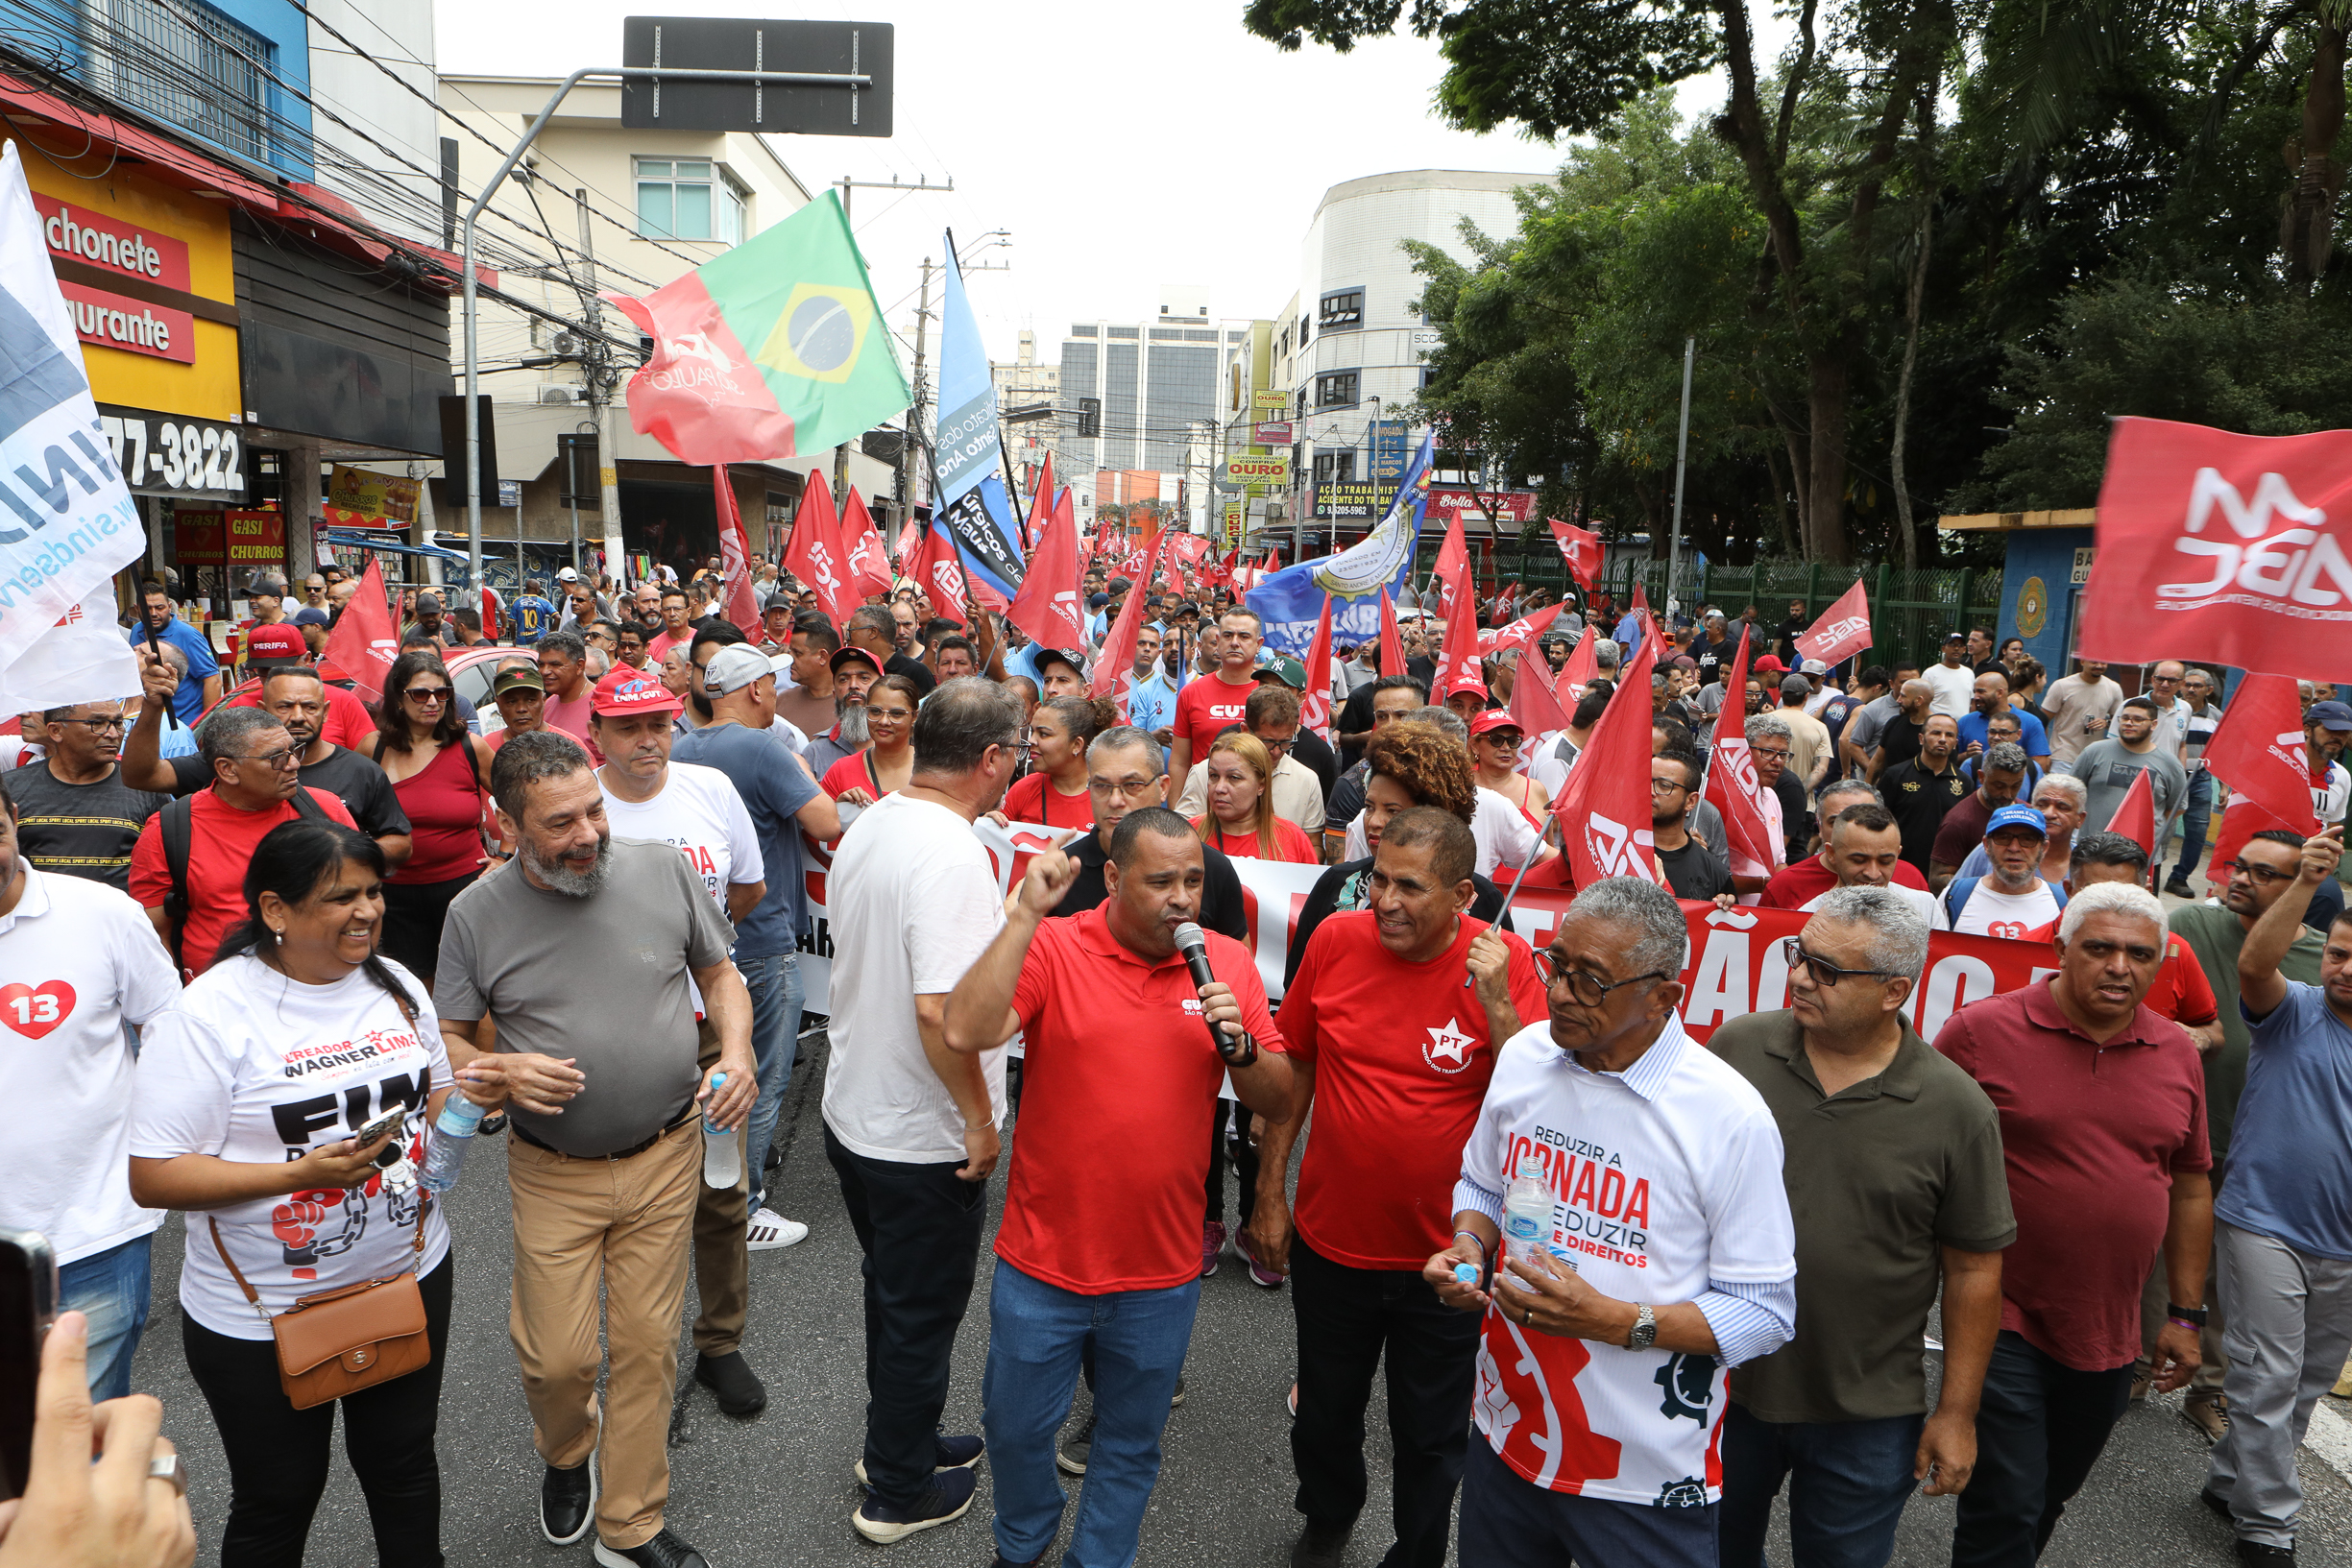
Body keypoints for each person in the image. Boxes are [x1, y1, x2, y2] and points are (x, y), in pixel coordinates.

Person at [941, 808, 1295, 1568]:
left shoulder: (1225, 963)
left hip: (1160, 1273)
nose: (1181, 898)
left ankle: (1098, 1556)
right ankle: (1024, 1537)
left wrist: (1237, 1047)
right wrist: (1023, 915)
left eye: (1193, 880)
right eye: (1160, 879)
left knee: (1131, 1442)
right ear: (1111, 877)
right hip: (1042, 1261)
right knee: (1012, 1429)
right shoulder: (1057, 944)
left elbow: (1277, 1095)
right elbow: (967, 1032)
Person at [437, 731, 753, 1568]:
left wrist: (738, 1051)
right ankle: (567, 1450)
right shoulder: (473, 914)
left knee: (648, 1346)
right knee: (557, 1359)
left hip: (667, 1151)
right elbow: (448, 1041)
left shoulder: (660, 869)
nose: (587, 834)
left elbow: (720, 974)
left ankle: (631, 1523)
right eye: (559, 823)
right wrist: (495, 1066)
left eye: (593, 809)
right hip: (552, 1172)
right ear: (507, 826)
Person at [1425, 876, 1797, 1567]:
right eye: (1556, 964)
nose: (1561, 992)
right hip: (1507, 1431)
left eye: (1591, 980)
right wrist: (1469, 1244)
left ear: (1663, 996)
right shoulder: (1524, 1056)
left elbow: (1764, 1312)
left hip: (1642, 1475)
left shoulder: (1728, 1116)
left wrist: (1616, 1320)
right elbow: (1482, 1178)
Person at [130, 820, 462, 1567]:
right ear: (275, 910)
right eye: (341, 896)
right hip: (259, 1312)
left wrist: (478, 1098)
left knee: (404, 1468)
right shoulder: (206, 1016)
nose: (368, 910)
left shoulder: (397, 983)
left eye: (374, 891)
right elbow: (154, 1173)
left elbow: (434, 1091)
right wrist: (297, 1175)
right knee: (278, 1497)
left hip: (405, 1271)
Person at [1253, 808, 1546, 1568]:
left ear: (1462, 896)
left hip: (1449, 1261)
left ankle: (1415, 1552)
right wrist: (1269, 1191)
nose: (1382, 900)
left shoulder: (1505, 962)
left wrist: (1498, 1006)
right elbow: (1299, 1069)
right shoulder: (1334, 939)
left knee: (1430, 1432)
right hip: (1333, 1242)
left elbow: (1541, 1106)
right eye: (1376, 877)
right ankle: (1326, 1514)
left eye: (1408, 886)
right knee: (1322, 1413)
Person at [1710, 887, 2013, 1568]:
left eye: (1825, 969)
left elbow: (1973, 1269)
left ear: (1892, 991)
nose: (1796, 976)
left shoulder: (1955, 1108)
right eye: (1798, 955)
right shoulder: (1736, 1050)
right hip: (1719, 1381)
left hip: (1866, 1409)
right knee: (1701, 1555)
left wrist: (1956, 1414)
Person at [1932, 881, 2214, 1567]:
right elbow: (1918, 1158)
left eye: (2139, 954)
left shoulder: (2176, 1052)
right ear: (2060, 950)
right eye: (2100, 948)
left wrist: (2183, 1313)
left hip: (2110, 1331)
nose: (2120, 966)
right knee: (2006, 1498)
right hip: (1998, 1314)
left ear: (2160, 963)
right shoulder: (1978, 1030)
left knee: (2049, 1494)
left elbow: (2188, 1185)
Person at [821, 679, 1018, 1541]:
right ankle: (896, 1490)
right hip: (917, 1134)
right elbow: (943, 1012)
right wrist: (978, 1119)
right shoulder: (949, 849)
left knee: (896, 1299)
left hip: (860, 1109)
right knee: (919, 1311)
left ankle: (898, 1439)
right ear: (991, 758)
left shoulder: (879, 817)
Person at [591, 662, 781, 1410]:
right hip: (611, 1030)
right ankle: (626, 1351)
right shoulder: (581, 802)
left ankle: (721, 1341)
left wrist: (701, 959)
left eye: (659, 723)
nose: (648, 740)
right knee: (614, 1194)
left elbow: (747, 889)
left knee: (721, 1189)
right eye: (629, 726)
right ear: (596, 731)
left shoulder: (711, 790)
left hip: (706, 1023)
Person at [2200, 824, 2352, 1564]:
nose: (2343, 968)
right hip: (2261, 1223)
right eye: (2336, 952)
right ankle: (2267, 1525)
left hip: (2344, 1247)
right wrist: (2302, 881)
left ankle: (2230, 1476)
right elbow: (2254, 962)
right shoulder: (2290, 1009)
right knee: (2265, 1372)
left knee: (2306, 1382)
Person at [0, 777, 180, 1401]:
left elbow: (168, 1022)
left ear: (14, 820)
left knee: (86, 1430)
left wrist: (149, 1136)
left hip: (93, 1230)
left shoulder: (100, 913)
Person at [674, 645, 842, 1257]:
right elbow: (825, 822)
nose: (776, 696)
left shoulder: (681, 746)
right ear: (754, 691)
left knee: (705, 1074)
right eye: (771, 686)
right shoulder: (763, 747)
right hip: (761, 938)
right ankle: (741, 1208)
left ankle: (701, 1196)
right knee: (759, 1078)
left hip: (697, 943)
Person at [130, 708, 359, 978]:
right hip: (217, 1000)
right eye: (276, 758)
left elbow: (361, 899)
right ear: (227, 770)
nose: (293, 764)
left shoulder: (325, 809)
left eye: (294, 750)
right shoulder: (170, 828)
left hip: (319, 987)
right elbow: (153, 936)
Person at [359, 652, 494, 996]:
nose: (433, 702)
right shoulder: (372, 749)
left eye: (442, 692)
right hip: (396, 894)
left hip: (464, 886)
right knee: (415, 989)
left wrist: (506, 856)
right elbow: (350, 816)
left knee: (476, 984)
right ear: (399, 698)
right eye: (421, 694)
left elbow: (518, 802)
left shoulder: (469, 746)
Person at [5, 699, 166, 893]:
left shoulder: (144, 789)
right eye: (96, 724)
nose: (113, 734)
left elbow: (161, 875)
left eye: (118, 723)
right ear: (56, 731)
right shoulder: (10, 789)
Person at [1173, 685, 1324, 833]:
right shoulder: (1203, 773)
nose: (1277, 751)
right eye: (1268, 742)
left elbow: (1314, 846)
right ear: (1245, 730)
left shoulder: (1307, 780)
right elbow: (1181, 836)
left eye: (1286, 742)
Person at [1759, 784, 1934, 906]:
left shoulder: (1912, 880)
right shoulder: (1784, 886)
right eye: (1836, 821)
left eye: (1867, 819)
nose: (1873, 874)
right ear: (1819, 827)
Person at [1327, 676, 1431, 847]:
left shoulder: (1444, 776)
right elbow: (1340, 861)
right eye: (1382, 716)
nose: (1391, 725)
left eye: (1401, 715)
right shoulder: (1352, 784)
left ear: (1423, 715)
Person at [2064, 695, 2189, 836]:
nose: (2129, 723)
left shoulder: (2170, 764)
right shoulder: (2094, 752)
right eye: (2125, 718)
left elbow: (2177, 807)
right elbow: (2070, 792)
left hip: (2140, 851)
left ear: (2153, 724)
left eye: (2138, 719)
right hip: (2093, 847)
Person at [1193, 730, 1321, 864]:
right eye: (1214, 776)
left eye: (1234, 778)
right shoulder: (1187, 834)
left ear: (1261, 785)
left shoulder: (1293, 839)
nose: (1219, 788)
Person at [1942, 804, 2066, 937]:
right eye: (2003, 838)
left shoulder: (2063, 905)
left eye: (2028, 839)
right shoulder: (1954, 898)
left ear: (2044, 849)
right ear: (1986, 845)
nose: (2014, 848)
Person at [1929, 741, 2032, 887]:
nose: (2008, 794)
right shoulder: (1958, 821)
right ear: (1981, 777)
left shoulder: (2029, 814)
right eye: (1999, 786)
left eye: (2016, 786)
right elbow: (1937, 879)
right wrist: (1987, 888)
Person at [1878, 713, 1967, 875]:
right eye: (1936, 733)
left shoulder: (1964, 782)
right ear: (1921, 738)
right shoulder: (1895, 775)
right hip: (1900, 866)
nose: (1942, 739)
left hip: (1943, 870)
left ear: (1955, 743)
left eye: (1949, 735)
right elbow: (1878, 821)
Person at [1004, 694, 1100, 830]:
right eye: (1032, 731)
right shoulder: (1022, 791)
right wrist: (988, 825)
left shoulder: (1108, 797)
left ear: (1077, 745)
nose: (1031, 740)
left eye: (1043, 734)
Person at [126, 586, 220, 724]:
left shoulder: (188, 635)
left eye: (160, 608)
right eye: (147, 608)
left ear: (169, 607)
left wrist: (205, 726)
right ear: (137, 608)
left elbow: (213, 681)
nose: (153, 613)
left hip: (185, 721)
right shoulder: (136, 631)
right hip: (151, 719)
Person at [2170, 667, 2226, 896]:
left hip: (2200, 777)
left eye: (2197, 686)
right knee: (2160, 827)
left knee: (2198, 831)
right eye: (2187, 684)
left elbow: (2223, 752)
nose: (2191, 689)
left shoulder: (2216, 717)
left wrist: (2224, 786)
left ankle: (2179, 877)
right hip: (2170, 775)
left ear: (2209, 690)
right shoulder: (2170, 709)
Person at [821, 674, 919, 805]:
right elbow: (822, 823)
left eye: (896, 714)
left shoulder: (936, 770)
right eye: (875, 711)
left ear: (914, 717)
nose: (884, 721)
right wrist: (840, 809)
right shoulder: (841, 771)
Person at [1650, 748, 1733, 901]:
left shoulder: (1714, 872)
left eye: (1664, 786)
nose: (1651, 791)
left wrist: (1723, 909)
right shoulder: (1615, 852)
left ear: (1691, 801)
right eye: (1646, 781)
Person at [806, 645, 880, 778]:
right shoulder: (815, 752)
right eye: (843, 680)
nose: (853, 685)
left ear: (882, 689)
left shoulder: (900, 745)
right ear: (834, 694)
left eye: (864, 678)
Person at [1467, 710, 1550, 820]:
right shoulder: (1461, 787)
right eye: (1496, 740)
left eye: (1512, 741)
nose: (1506, 748)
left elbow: (1548, 836)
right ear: (1474, 746)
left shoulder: (1536, 790)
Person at [2042, 659, 2125, 768]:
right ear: (2082, 662)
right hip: (2063, 756)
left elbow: (2120, 721)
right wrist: (2043, 753)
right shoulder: (2062, 685)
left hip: (2094, 759)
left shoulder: (2114, 688)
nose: (2099, 666)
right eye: (2094, 662)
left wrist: (2106, 722)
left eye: (2103, 663)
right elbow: (2042, 720)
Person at [1958, 671, 2050, 767]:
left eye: (1981, 692)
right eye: (1975, 692)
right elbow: (1949, 761)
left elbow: (2040, 765)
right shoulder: (1965, 722)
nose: (1975, 697)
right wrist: (1967, 755)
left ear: (1999, 693)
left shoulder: (2031, 722)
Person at [772, 615, 842, 736]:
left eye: (798, 653)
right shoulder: (782, 700)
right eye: (790, 652)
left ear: (822, 657)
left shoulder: (852, 704)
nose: (790, 659)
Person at [847, 605, 936, 697]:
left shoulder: (917, 672)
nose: (848, 638)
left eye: (851, 631)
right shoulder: (855, 671)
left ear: (873, 632)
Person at [535, 631, 598, 756]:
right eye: (541, 664)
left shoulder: (601, 704)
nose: (544, 671)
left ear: (579, 666)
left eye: (555, 665)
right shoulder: (547, 704)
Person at [1865, 678, 1936, 782]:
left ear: (1919, 701)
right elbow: (1877, 761)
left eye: (1903, 696)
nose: (1898, 700)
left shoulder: (1939, 730)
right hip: (1890, 791)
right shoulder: (1894, 723)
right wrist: (1867, 790)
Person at [1123, 624, 1179, 739]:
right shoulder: (1117, 683)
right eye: (1141, 643)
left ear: (1159, 653)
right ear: (1131, 646)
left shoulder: (1166, 684)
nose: (1147, 649)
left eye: (1153, 645)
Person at [1920, 632, 1975, 720]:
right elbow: (1922, 703)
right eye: (1952, 645)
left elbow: (1972, 702)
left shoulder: (1969, 673)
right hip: (1938, 725)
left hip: (1961, 727)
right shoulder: (1930, 673)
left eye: (1960, 645)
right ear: (1943, 648)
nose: (1956, 648)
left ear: (1964, 649)